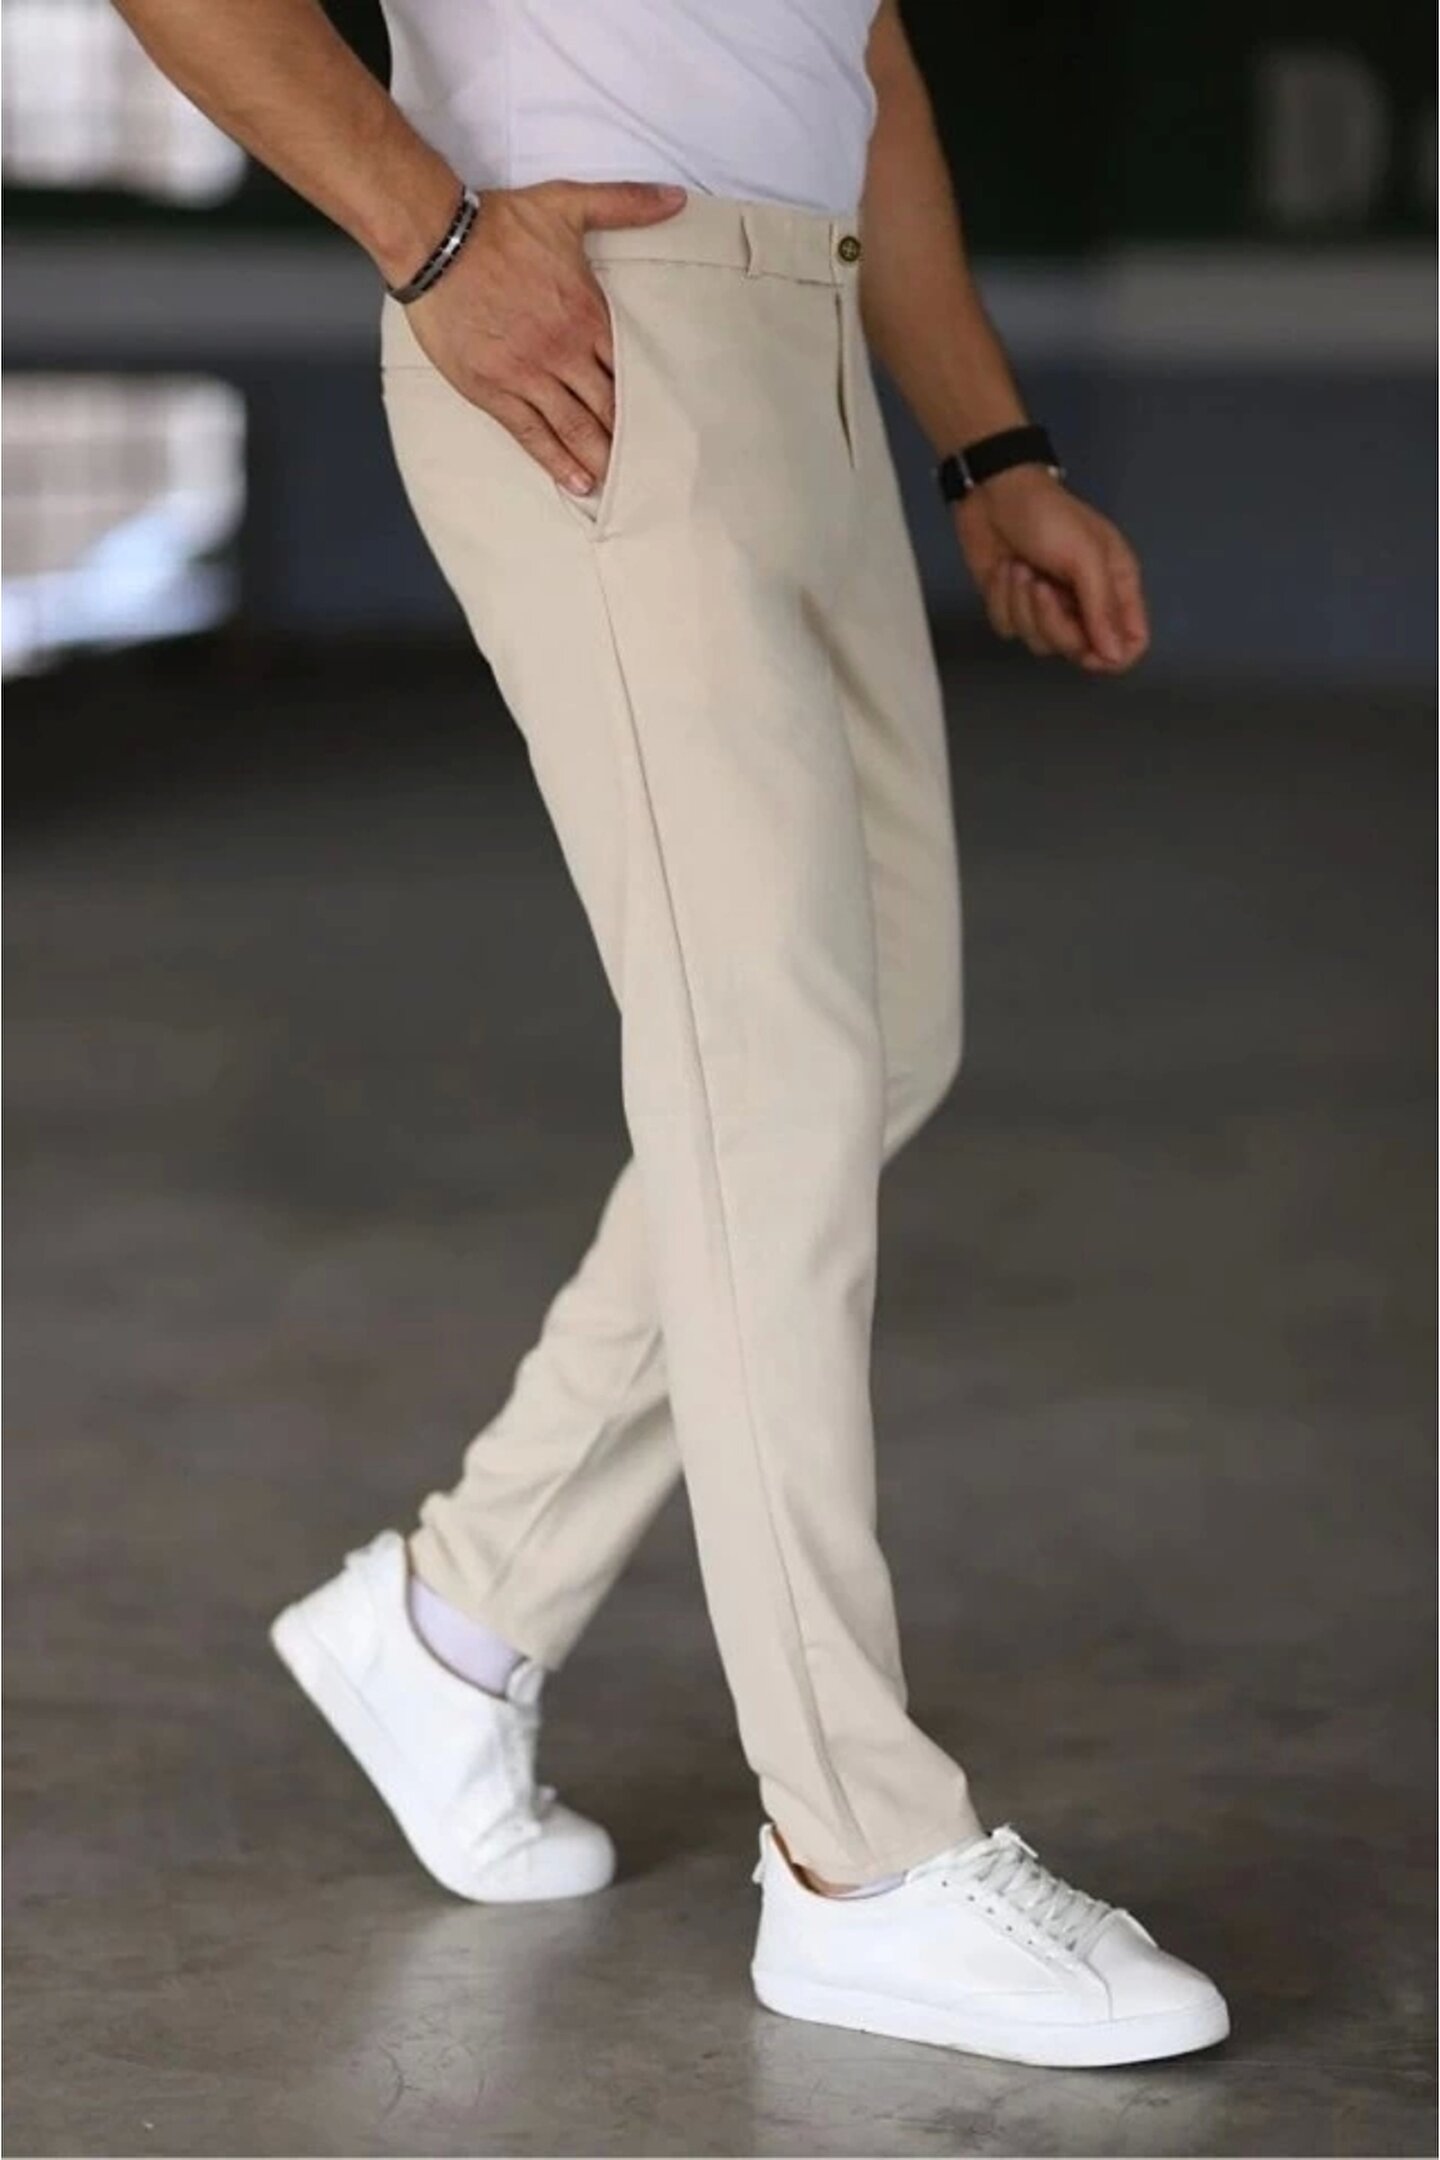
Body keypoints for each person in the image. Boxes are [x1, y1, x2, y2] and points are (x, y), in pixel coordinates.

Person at [116, 0, 1228, 2068]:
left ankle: (457, 1619)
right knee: (773, 1076)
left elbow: (860, 57)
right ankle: (860, 1858)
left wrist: (992, 451)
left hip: (804, 346)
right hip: (586, 322)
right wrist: (436, 239)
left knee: (876, 1043)